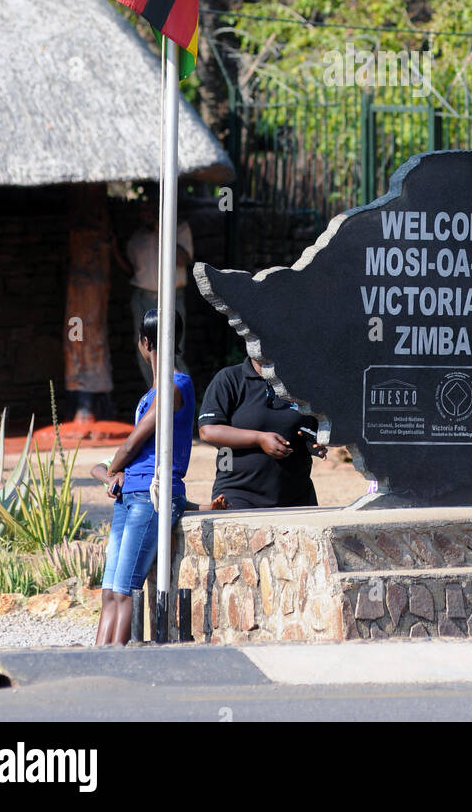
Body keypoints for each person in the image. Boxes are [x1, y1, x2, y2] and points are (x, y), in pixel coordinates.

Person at [94, 308, 195, 646]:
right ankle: (96, 657)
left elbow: (135, 439)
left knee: (125, 591)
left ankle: (116, 664)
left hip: (150, 496)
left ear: (145, 342)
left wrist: (113, 466)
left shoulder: (176, 385)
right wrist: (117, 471)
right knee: (109, 591)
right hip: (129, 495)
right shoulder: (150, 393)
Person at [198, 356, 326, 509]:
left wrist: (315, 441)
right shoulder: (229, 379)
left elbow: (318, 425)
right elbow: (208, 431)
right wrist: (259, 439)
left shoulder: (300, 381)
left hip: (297, 496)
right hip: (238, 495)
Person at [115, 199, 193, 387]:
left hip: (170, 300)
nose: (145, 213)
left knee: (173, 352)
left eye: (149, 208)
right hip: (142, 299)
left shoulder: (179, 228)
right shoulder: (137, 238)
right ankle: (156, 398)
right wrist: (113, 250)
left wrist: (162, 229)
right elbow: (133, 271)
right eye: (141, 209)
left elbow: (183, 260)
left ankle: (180, 403)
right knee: (146, 353)